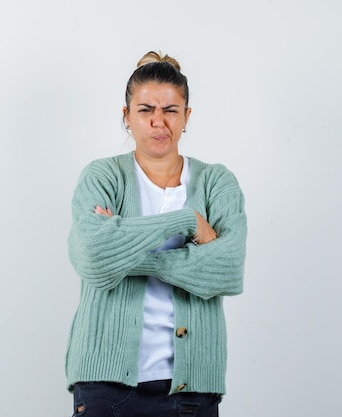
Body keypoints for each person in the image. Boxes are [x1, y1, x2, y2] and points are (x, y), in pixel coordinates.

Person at [65, 51, 247, 417]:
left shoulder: (217, 181)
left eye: (171, 110)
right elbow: (92, 258)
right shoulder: (102, 177)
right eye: (145, 109)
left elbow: (228, 269)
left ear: (187, 117)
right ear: (127, 116)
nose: (158, 121)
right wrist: (187, 222)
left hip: (192, 391)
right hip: (105, 385)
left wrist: (124, 252)